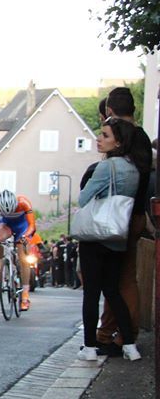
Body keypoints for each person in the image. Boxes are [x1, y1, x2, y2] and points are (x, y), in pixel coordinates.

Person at [76, 117, 149, 361]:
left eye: (105, 135)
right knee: (113, 291)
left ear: (118, 142)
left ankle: (88, 348)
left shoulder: (107, 167)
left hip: (95, 236)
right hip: (118, 235)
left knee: (92, 294)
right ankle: (129, 344)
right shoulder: (134, 169)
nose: (99, 139)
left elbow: (84, 198)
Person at [93, 87, 153, 351]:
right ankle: (116, 333)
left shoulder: (125, 136)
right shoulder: (142, 136)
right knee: (122, 278)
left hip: (121, 215)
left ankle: (118, 335)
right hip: (137, 213)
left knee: (119, 279)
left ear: (109, 111)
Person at [0, 190, 42, 311]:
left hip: (23, 227)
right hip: (7, 226)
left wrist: (25, 237)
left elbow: (32, 225)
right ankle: (3, 260)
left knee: (24, 259)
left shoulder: (24, 202)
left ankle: (25, 295)